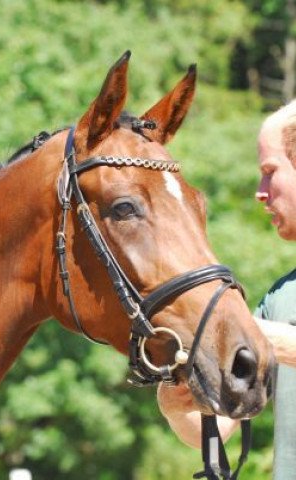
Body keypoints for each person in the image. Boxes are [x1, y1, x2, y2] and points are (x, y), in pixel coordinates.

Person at [157, 99, 296, 479]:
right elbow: (218, 426)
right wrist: (177, 405)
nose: (260, 191)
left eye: (270, 172)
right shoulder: (281, 297)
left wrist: (245, 333)